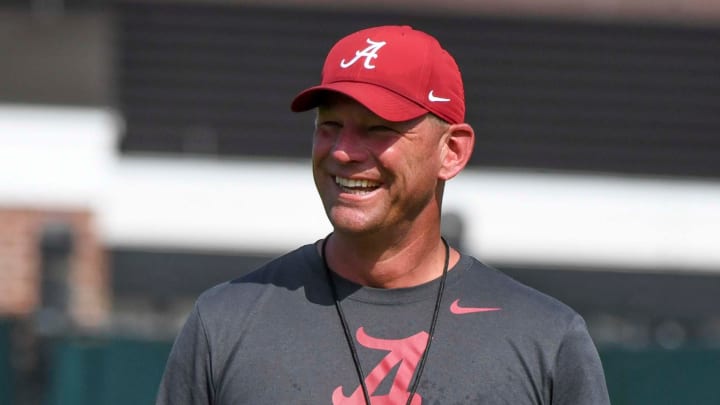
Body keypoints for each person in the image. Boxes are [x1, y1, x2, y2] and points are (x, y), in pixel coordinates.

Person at [156, 25, 610, 404]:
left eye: (378, 130)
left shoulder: (547, 339)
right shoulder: (225, 322)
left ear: (451, 152)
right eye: (329, 126)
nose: (343, 152)